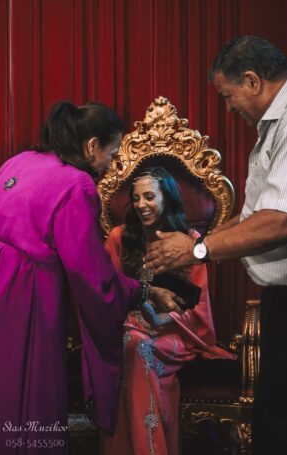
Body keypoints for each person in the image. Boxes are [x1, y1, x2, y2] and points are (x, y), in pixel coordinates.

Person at [145, 35, 287, 455]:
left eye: (227, 95)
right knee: (280, 427)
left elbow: (286, 220)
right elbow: (260, 214)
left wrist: (197, 251)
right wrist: (198, 243)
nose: (228, 108)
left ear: (252, 81)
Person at [0, 101, 155, 454]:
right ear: (92, 146)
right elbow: (88, 271)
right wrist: (137, 291)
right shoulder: (78, 185)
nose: (112, 164)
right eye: (113, 153)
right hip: (30, 293)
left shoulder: (20, 160)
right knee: (31, 383)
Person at [99, 167, 235, 455]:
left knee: (137, 348)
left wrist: (160, 318)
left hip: (174, 333)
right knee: (135, 345)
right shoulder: (120, 238)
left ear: (167, 198)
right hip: (128, 330)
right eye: (136, 198)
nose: (141, 205)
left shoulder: (188, 239)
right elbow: (108, 294)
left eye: (150, 197)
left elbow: (197, 307)